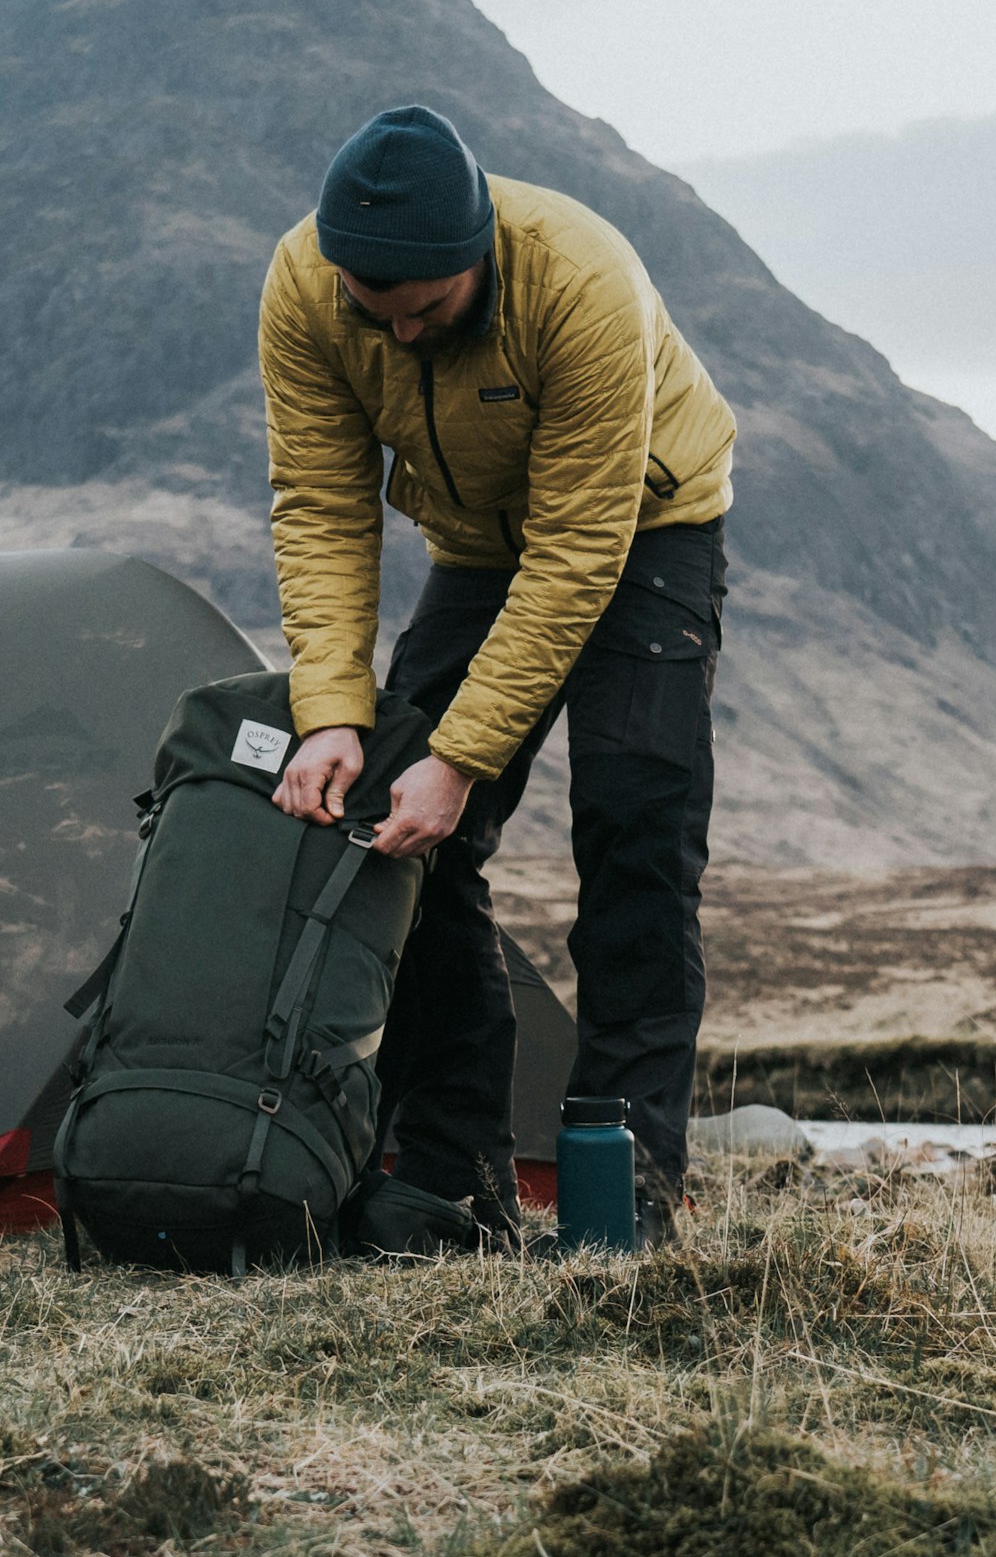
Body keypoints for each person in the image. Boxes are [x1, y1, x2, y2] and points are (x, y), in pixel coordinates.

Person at [259, 104, 736, 1234]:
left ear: (475, 258)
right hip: (480, 546)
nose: (406, 335)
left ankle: (626, 1193)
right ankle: (454, 1169)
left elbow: (579, 552)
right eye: (381, 317)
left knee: (635, 833)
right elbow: (323, 506)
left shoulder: (580, 280)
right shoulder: (303, 286)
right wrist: (332, 711)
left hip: (647, 531)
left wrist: (463, 756)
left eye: (428, 310)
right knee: (397, 830)